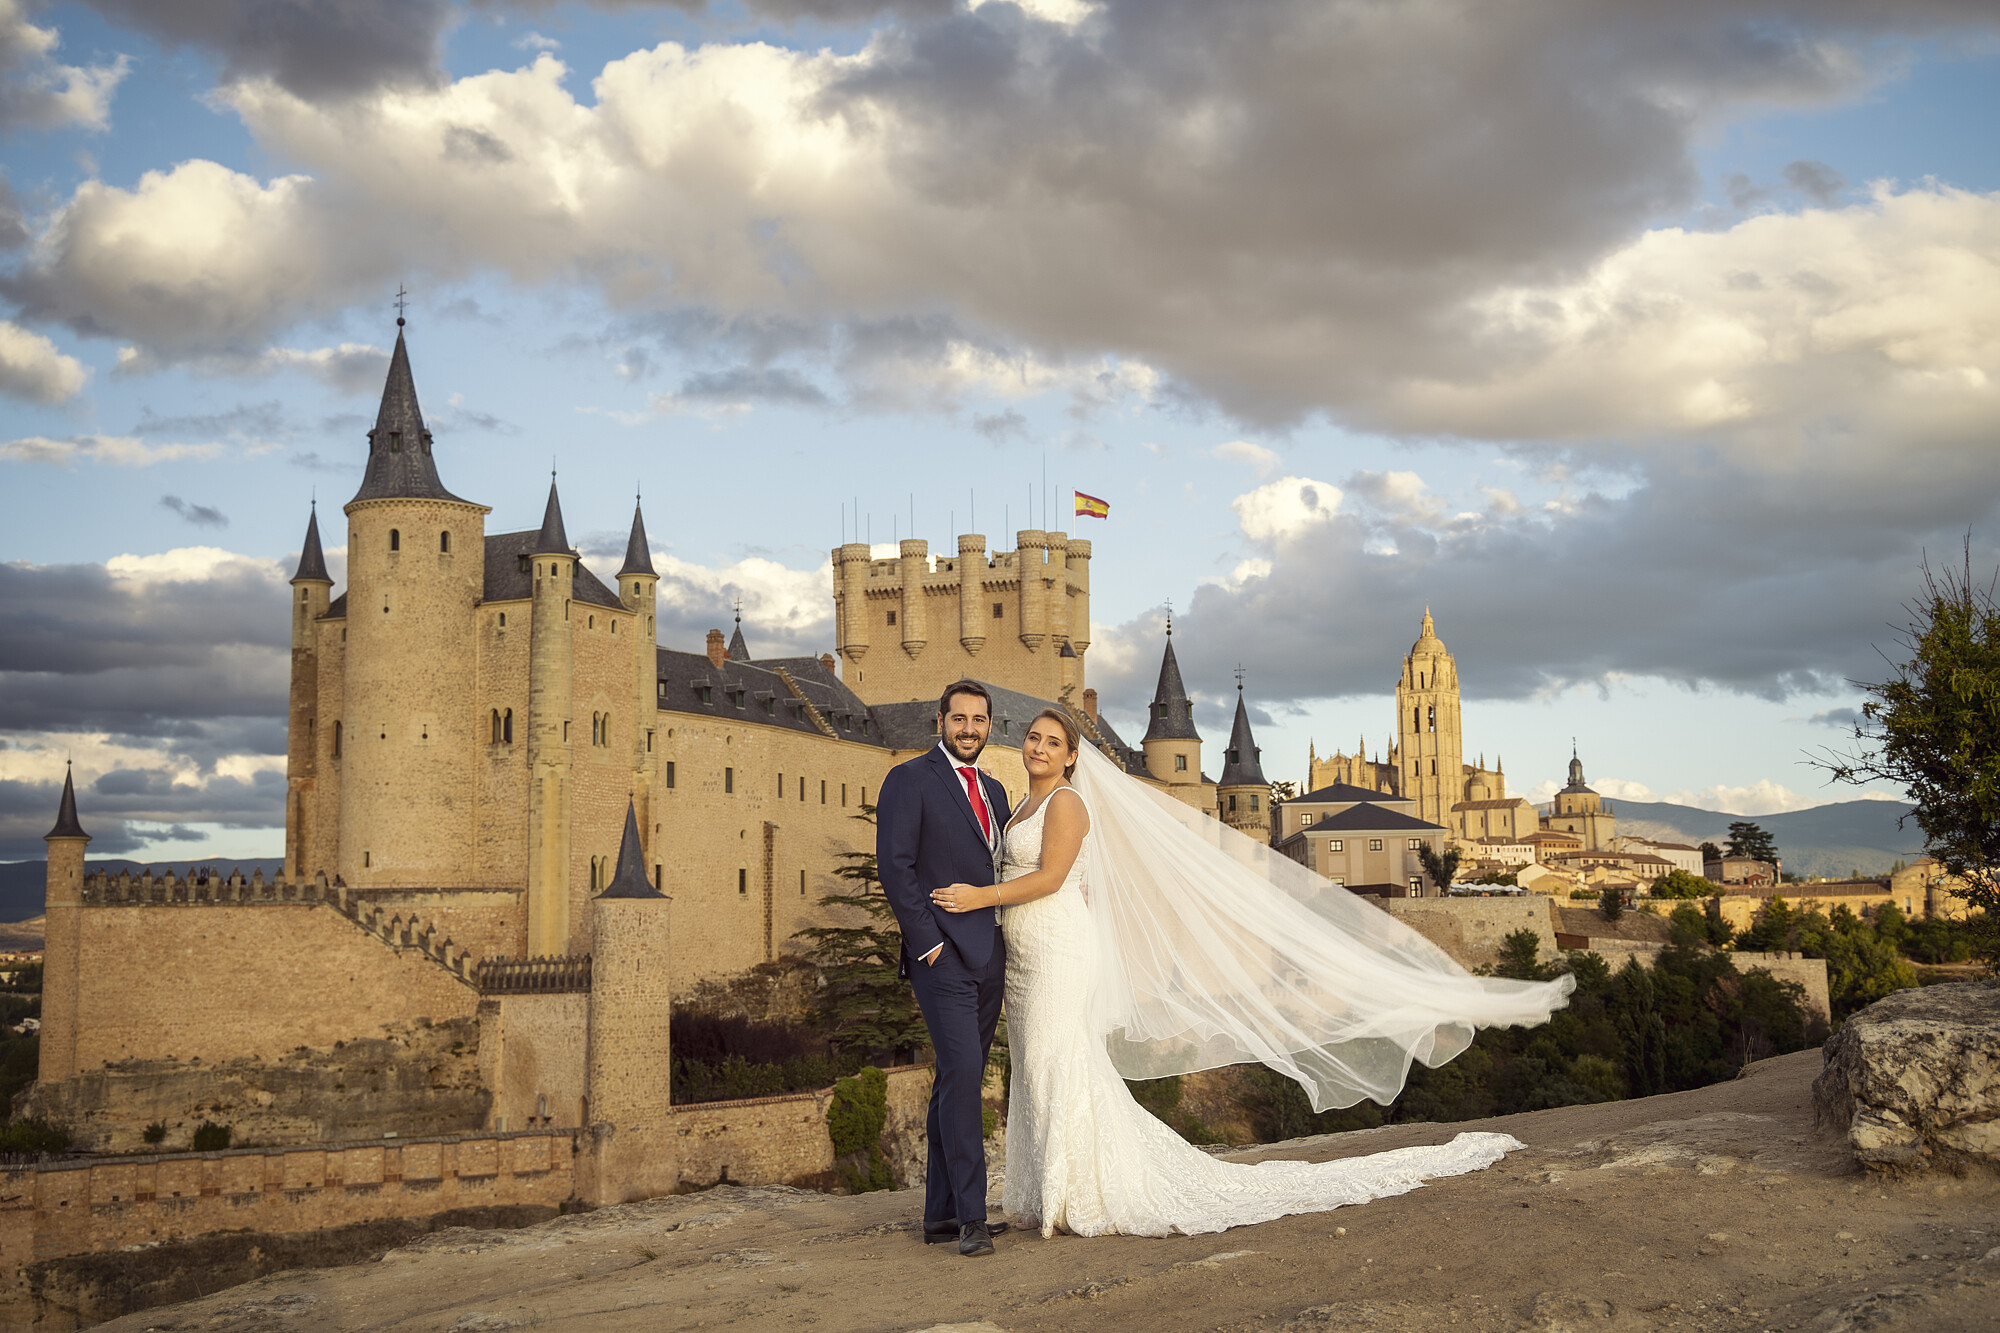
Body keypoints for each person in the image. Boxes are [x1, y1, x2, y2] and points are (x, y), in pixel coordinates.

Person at [931, 709, 1576, 1238]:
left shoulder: (1067, 804)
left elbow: (1047, 878)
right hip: (1028, 955)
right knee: (1040, 1063)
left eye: (1052, 741)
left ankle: (1082, 1192)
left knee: (1058, 1058)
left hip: (1057, 949)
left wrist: (975, 898)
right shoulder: (1020, 804)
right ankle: (1055, 1189)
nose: (1039, 747)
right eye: (1033, 739)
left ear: (1073, 756)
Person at [875, 680, 1014, 1257]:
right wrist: (927, 943)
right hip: (942, 958)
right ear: (940, 721)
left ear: (988, 726)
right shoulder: (909, 780)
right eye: (959, 719)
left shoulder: (998, 791)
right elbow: (895, 866)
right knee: (963, 1075)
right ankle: (973, 1220)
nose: (969, 729)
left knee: (957, 1079)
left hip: (990, 955)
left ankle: (940, 1214)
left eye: (979, 720)